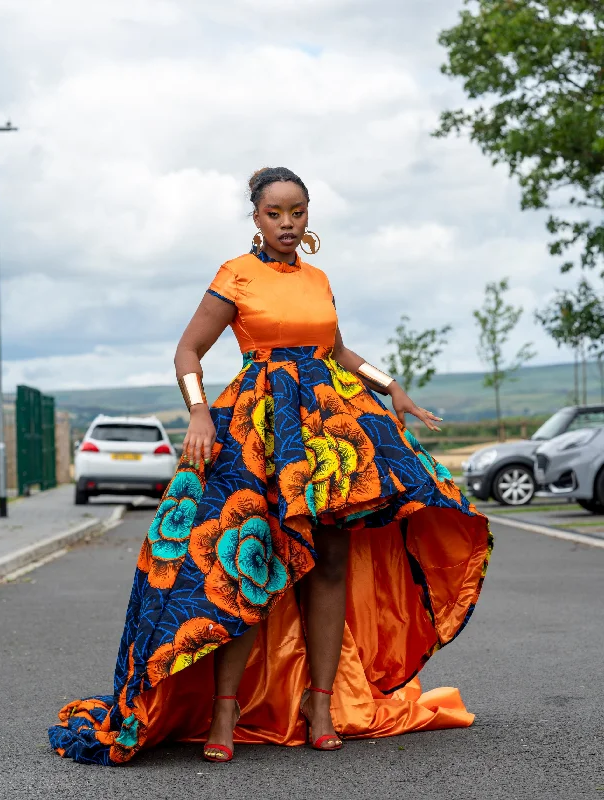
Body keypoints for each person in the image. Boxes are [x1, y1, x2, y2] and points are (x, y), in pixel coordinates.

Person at [49, 166, 493, 766]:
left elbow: (335, 351)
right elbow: (187, 349)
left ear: (308, 215)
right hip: (256, 429)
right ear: (255, 218)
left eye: (298, 212)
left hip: (327, 435)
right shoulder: (235, 274)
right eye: (275, 213)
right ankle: (225, 709)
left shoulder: (320, 278)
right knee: (246, 565)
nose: (287, 223)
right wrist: (199, 413)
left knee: (331, 560)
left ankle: (319, 704)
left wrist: (393, 388)